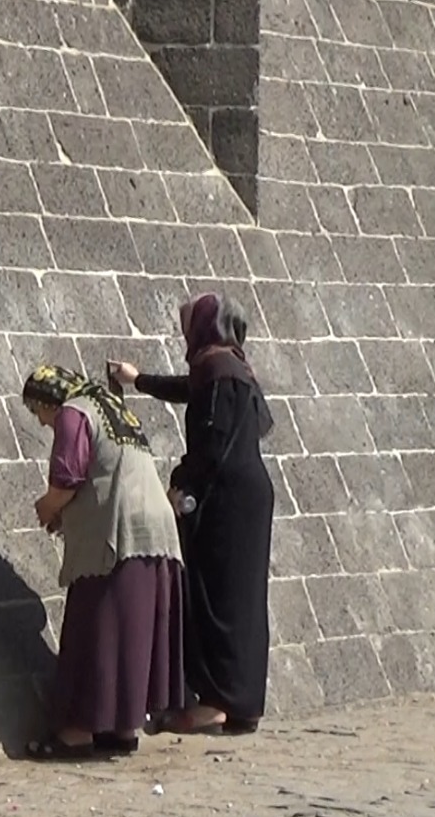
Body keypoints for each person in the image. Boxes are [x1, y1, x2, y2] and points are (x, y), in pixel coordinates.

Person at [108, 291, 276, 736]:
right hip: (249, 494)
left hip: (226, 497)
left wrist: (181, 483)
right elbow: (192, 392)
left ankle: (216, 703)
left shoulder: (216, 368)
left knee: (216, 597)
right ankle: (242, 702)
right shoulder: (233, 366)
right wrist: (139, 379)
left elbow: (211, 441)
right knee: (241, 600)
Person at [19, 364, 186, 761]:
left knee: (94, 631)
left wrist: (47, 507)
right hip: (156, 534)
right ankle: (122, 728)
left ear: (47, 400)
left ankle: (76, 733)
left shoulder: (75, 412)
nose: (42, 423)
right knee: (131, 635)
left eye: (38, 412)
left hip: (119, 536)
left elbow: (69, 476)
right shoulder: (110, 405)